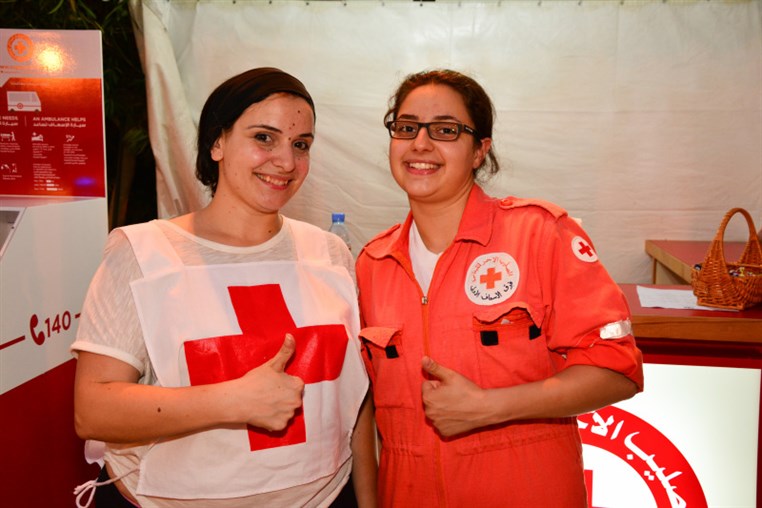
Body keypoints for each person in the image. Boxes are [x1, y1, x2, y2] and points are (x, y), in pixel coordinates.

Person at [71, 67, 377, 508]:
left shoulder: (329, 253)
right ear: (217, 142)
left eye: (301, 145)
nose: (286, 162)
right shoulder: (143, 252)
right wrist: (232, 400)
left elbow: (355, 398)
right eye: (264, 138)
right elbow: (93, 409)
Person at [355, 69, 644, 507]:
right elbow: (364, 409)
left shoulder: (539, 235)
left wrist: (488, 406)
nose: (420, 144)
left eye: (446, 130)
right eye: (406, 127)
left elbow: (615, 371)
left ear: (479, 151)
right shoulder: (373, 264)